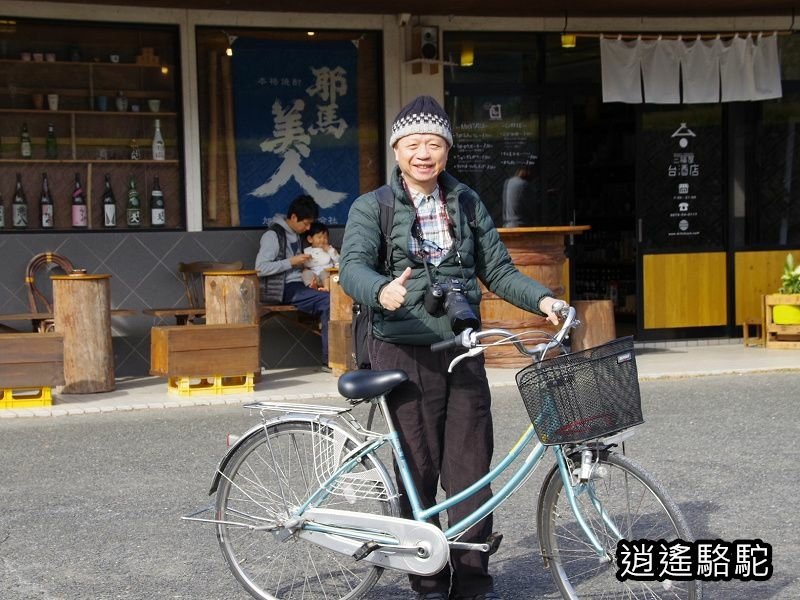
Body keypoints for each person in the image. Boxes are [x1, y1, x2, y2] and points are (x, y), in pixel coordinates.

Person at [339, 95, 562, 600]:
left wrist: (544, 299)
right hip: (401, 352)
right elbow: (351, 267)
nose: (424, 153)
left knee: (469, 467)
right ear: (397, 151)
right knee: (418, 467)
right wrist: (380, 289)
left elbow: (499, 271)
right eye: (413, 143)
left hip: (462, 349)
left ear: (446, 151)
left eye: (434, 143)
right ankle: (429, 580)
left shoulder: (465, 201)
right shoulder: (371, 207)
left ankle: (473, 581)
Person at [255, 194, 331, 369]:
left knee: (335, 296)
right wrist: (292, 261)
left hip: (300, 284)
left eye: (310, 224)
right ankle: (331, 359)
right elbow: (260, 268)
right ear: (294, 217)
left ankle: (334, 354)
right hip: (283, 288)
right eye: (305, 223)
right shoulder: (273, 236)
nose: (308, 228)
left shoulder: (296, 235)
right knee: (328, 301)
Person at [300, 221, 340, 290]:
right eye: (319, 237)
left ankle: (326, 288)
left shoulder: (330, 249)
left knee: (325, 272)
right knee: (305, 273)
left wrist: (330, 251)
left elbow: (338, 261)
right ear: (310, 239)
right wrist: (304, 267)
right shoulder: (306, 251)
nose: (322, 240)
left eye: (325, 237)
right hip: (314, 277)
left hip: (327, 277)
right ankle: (312, 286)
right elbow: (304, 265)